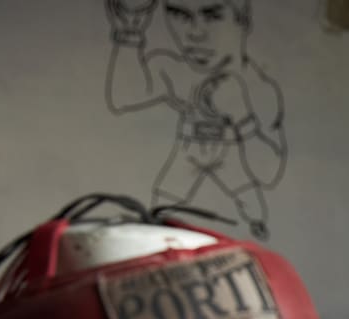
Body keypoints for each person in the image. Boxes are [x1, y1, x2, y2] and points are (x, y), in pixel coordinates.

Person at [104, 0, 287, 240]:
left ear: (243, 20)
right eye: (179, 15)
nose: (194, 33)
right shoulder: (171, 68)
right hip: (190, 147)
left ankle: (258, 223)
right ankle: (154, 233)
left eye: (212, 16)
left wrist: (242, 117)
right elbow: (123, 99)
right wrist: (129, 34)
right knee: (167, 197)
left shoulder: (258, 87)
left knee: (246, 193)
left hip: (230, 152)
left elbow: (268, 175)